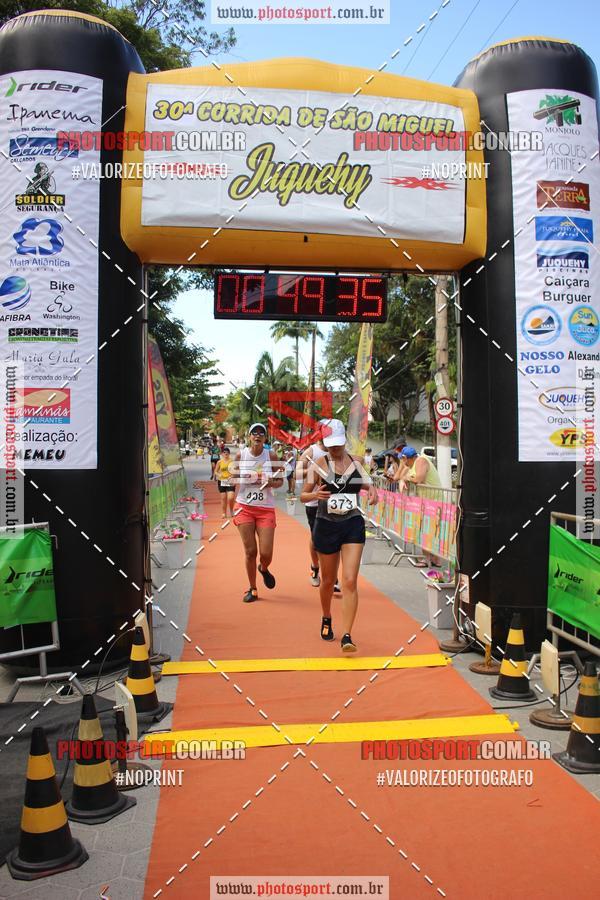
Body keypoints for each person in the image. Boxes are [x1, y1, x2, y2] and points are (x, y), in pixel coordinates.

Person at [300, 419, 377, 653]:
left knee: (350, 580)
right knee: (327, 580)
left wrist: (372, 489)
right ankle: (326, 617)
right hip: (326, 524)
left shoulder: (357, 461)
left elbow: (365, 484)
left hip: (352, 523)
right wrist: (315, 493)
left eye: (338, 444)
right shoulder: (318, 464)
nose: (334, 449)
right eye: (329, 444)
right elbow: (303, 495)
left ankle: (347, 635)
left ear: (345, 441)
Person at [232, 422, 284, 603]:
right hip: (244, 507)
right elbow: (230, 477)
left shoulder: (271, 455)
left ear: (265, 437)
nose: (257, 435)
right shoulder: (241, 455)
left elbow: (280, 481)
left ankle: (263, 568)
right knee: (250, 551)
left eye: (261, 433)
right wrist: (246, 477)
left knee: (266, 553)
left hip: (265, 509)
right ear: (249, 436)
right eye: (254, 432)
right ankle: (253, 588)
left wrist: (269, 482)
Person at [298, 422, 342, 593]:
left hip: (333, 501)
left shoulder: (338, 450)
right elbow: (297, 472)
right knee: (317, 539)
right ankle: (315, 567)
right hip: (315, 502)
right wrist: (313, 469)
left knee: (335, 539)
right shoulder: (311, 451)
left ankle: (333, 577)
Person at [214, 446, 235, 518]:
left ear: (229, 454)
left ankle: (231, 510)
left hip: (230, 481)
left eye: (227, 452)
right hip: (222, 481)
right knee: (223, 498)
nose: (226, 454)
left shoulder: (232, 461)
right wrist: (219, 474)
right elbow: (215, 471)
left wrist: (232, 476)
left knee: (231, 497)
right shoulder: (219, 462)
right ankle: (224, 513)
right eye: (224, 452)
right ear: (222, 454)